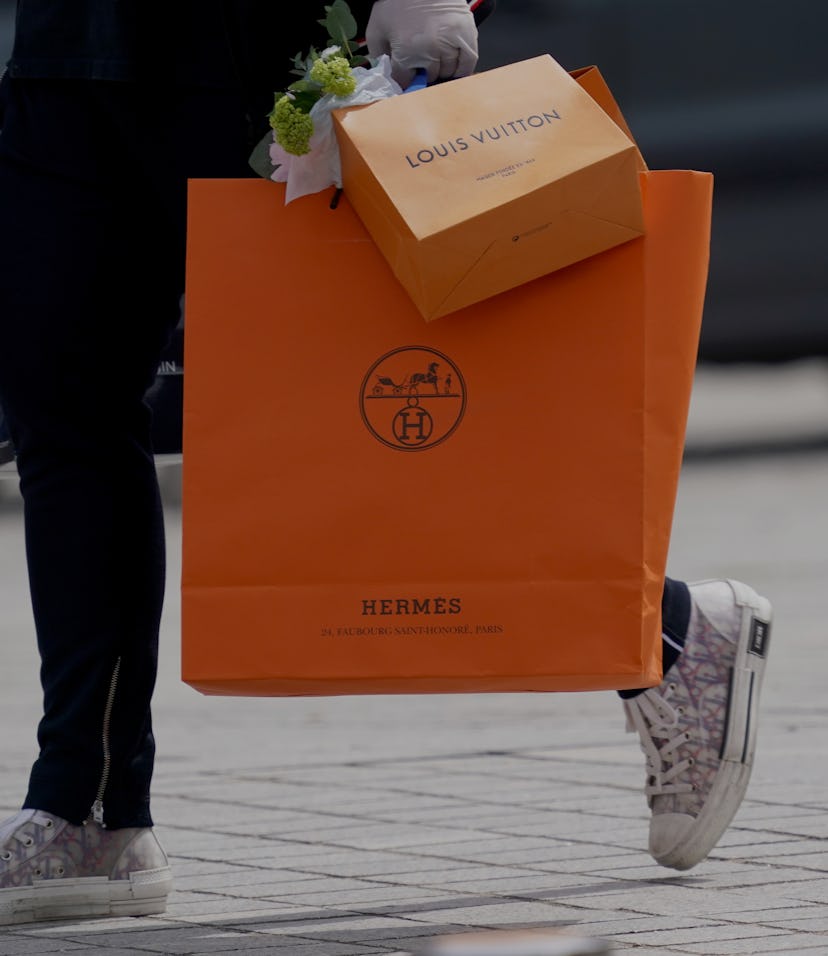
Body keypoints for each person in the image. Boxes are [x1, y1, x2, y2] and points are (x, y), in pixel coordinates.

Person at [0, 0, 771, 927]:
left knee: (389, 403)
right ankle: (90, 807)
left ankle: (666, 635)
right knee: (64, 413)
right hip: (67, 62)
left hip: (270, 57)